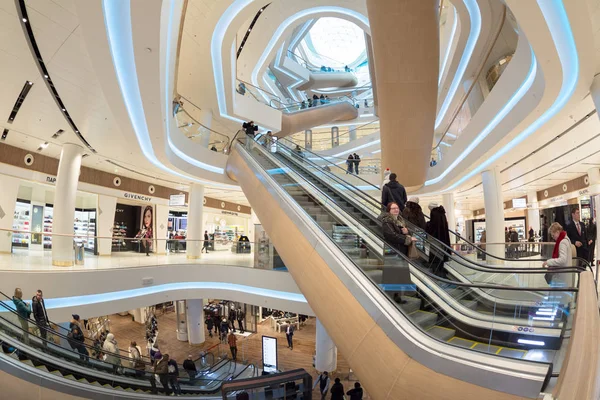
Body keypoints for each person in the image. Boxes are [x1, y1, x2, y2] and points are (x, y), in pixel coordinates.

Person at [379, 202, 417, 304]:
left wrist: (407, 232)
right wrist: (407, 238)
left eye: (397, 208)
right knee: (392, 275)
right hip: (393, 252)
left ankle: (397, 296)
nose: (396, 210)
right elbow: (391, 236)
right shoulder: (387, 221)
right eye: (393, 208)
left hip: (401, 252)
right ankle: (389, 297)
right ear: (389, 210)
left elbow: (403, 233)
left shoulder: (400, 221)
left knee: (399, 275)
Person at [543, 222, 574, 292]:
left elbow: (562, 260)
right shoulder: (566, 239)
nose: (553, 238)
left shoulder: (562, 242)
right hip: (566, 274)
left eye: (553, 235)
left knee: (560, 297)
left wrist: (548, 262)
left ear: (557, 232)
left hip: (562, 276)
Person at [426, 204, 451, 278]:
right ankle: (441, 271)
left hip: (436, 238)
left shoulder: (434, 213)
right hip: (443, 238)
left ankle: (437, 273)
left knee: (436, 255)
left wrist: (427, 225)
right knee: (441, 254)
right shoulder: (442, 213)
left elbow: (433, 226)